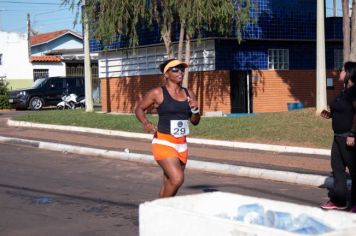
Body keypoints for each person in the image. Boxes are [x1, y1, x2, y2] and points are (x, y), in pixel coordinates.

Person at [135, 59, 201, 198]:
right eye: (175, 70)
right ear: (166, 75)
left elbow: (195, 122)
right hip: (163, 142)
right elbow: (139, 108)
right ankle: (163, 210)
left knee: (169, 182)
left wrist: (195, 110)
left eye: (182, 69)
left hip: (182, 144)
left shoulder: (188, 93)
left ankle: (159, 209)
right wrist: (145, 122)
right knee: (177, 179)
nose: (180, 72)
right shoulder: (157, 93)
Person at [320, 61, 356, 212]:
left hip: (349, 137)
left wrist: (353, 134)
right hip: (338, 137)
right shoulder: (344, 91)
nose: (339, 72)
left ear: (349, 73)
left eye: (342, 70)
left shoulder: (355, 91)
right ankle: (339, 200)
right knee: (337, 169)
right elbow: (342, 111)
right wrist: (329, 115)